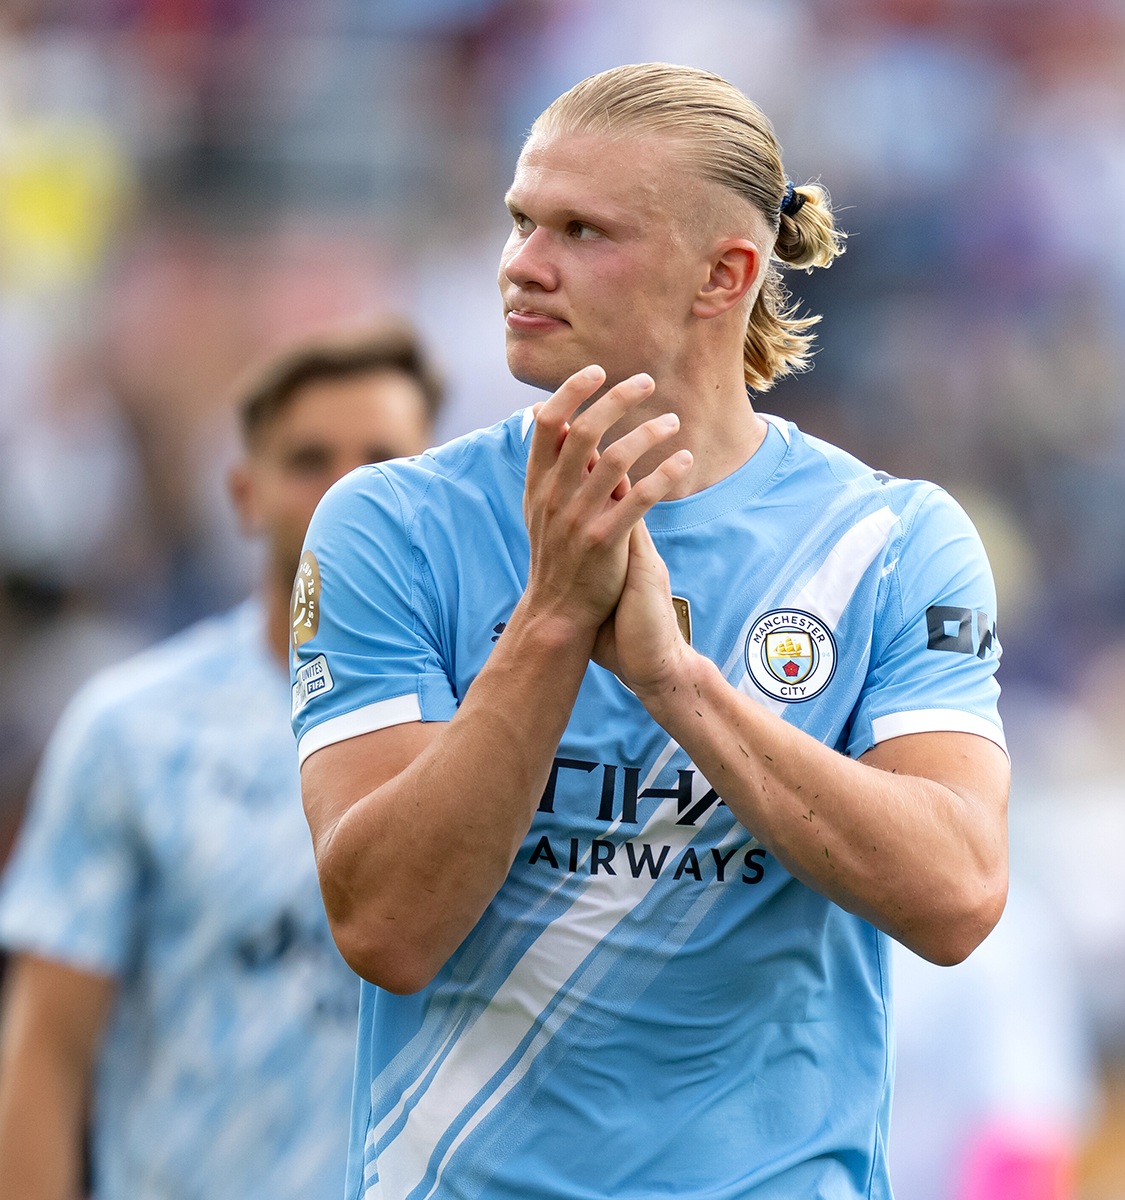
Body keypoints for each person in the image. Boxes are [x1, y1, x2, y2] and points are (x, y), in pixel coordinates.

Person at [291, 62, 1010, 1199]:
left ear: (725, 275)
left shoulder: (888, 540)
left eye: (582, 231)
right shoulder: (393, 523)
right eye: (522, 220)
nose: (522, 264)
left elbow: (959, 893)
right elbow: (386, 927)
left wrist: (678, 684)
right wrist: (551, 621)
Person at [0, 321, 442, 1200]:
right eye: (309, 459)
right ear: (245, 494)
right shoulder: (135, 730)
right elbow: (48, 1049)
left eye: (381, 459)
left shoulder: (498, 722)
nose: (346, 488)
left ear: (435, 488)